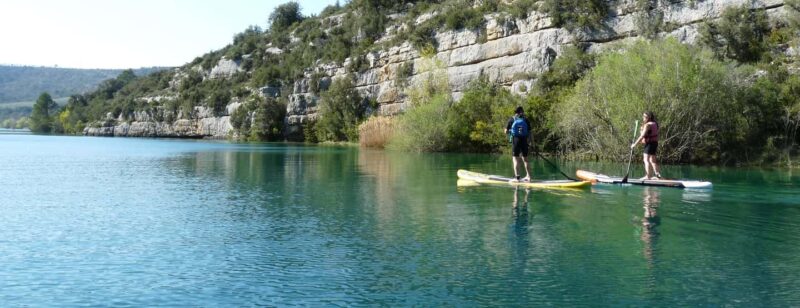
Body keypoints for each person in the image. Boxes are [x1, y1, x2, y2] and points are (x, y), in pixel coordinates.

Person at [630, 111, 662, 180]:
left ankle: (648, 176)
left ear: (649, 117)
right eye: (643, 116)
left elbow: (642, 136)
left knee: (646, 160)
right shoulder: (655, 123)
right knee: (652, 160)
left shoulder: (648, 125)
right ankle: (658, 175)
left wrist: (634, 144)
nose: (643, 118)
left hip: (649, 144)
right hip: (654, 143)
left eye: (645, 117)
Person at [505, 106, 532, 182]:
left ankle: (517, 178)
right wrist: (530, 142)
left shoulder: (512, 119)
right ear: (522, 111)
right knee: (525, 159)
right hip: (524, 140)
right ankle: (529, 177)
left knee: (515, 159)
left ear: (515, 112)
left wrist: (510, 131)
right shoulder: (526, 119)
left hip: (516, 140)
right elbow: (530, 132)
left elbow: (506, 131)